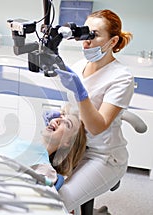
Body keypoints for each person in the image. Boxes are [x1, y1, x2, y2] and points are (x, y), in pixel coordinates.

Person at [53, 9, 134, 212]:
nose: (86, 41)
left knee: (57, 202)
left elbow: (97, 127)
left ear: (113, 41)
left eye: (94, 35)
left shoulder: (121, 77)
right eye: (85, 33)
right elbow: (71, 106)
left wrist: (81, 92)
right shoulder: (80, 65)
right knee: (41, 189)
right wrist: (60, 117)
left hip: (103, 156)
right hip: (74, 147)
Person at [0, 111, 86, 185]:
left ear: (68, 142)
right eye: (61, 116)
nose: (58, 120)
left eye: (67, 124)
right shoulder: (13, 140)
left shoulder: (45, 169)